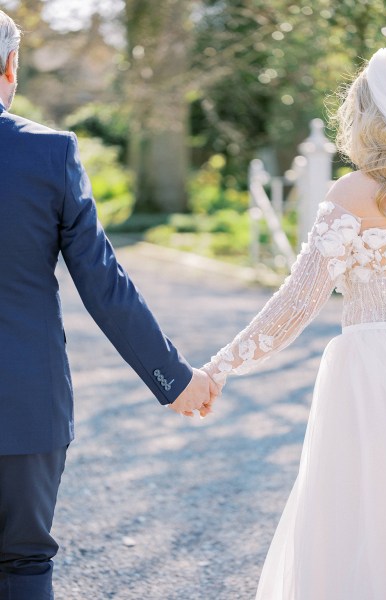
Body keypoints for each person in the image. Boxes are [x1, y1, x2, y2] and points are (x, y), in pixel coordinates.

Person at [0, 10, 218, 600]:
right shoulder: (49, 155)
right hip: (20, 403)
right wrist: (174, 379)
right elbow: (103, 282)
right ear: (10, 66)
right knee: (20, 562)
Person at [203, 42, 386, 599]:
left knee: (364, 513)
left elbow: (295, 304)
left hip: (370, 375)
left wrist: (218, 369)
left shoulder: (354, 193)